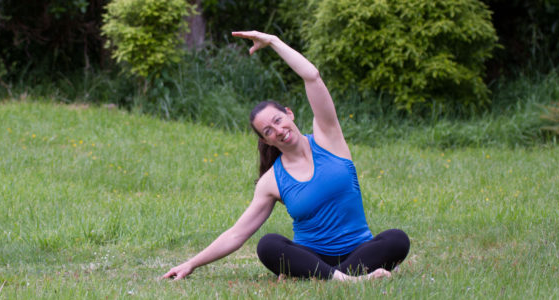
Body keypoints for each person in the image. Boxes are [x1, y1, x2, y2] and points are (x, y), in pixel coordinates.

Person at [162, 31, 410, 282]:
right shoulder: (271, 181)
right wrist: (191, 263)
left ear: (289, 114)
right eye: (268, 131)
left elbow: (312, 76)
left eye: (278, 120)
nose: (278, 131)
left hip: (359, 250)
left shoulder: (328, 138)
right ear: (265, 140)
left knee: (397, 239)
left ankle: (323, 277)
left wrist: (272, 41)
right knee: (268, 245)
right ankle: (347, 279)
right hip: (311, 256)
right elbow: (238, 234)